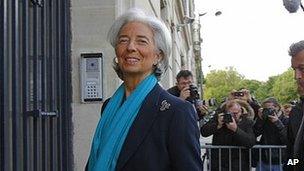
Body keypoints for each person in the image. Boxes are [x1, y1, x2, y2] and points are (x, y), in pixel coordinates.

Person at [85, 8, 202, 171]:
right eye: (123, 40)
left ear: (158, 56)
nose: (130, 47)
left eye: (141, 41)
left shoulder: (177, 111)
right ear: (117, 52)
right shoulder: (109, 106)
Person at [201, 99, 256, 171]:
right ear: (226, 112)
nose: (235, 116)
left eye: (237, 113)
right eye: (232, 113)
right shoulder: (218, 118)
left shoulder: (247, 122)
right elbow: (203, 132)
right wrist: (218, 125)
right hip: (219, 163)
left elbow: (250, 142)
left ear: (241, 111)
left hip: (239, 164)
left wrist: (236, 130)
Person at [253, 97, 288, 171]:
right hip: (263, 159)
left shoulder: (286, 120)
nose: (268, 111)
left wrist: (277, 122)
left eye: (270, 108)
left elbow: (286, 139)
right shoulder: (264, 120)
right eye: (266, 109)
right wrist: (259, 119)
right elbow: (254, 134)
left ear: (277, 107)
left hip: (280, 160)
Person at [284, 40, 304, 171]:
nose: (297, 76)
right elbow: (292, 157)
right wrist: (290, 167)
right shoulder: (296, 112)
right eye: (294, 70)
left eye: (302, 69)